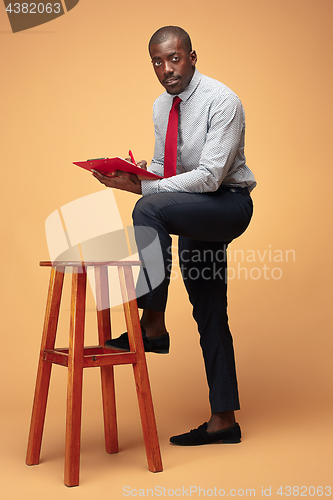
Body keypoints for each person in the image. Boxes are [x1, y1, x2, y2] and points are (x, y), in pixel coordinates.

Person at [92, 26, 256, 446]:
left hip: (226, 205)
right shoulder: (161, 107)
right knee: (210, 308)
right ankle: (225, 421)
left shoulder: (223, 101)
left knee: (147, 208)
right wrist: (132, 176)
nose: (167, 69)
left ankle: (152, 325)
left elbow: (208, 177)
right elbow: (168, 172)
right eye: (158, 62)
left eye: (174, 58)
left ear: (192, 56)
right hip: (191, 210)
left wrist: (143, 192)